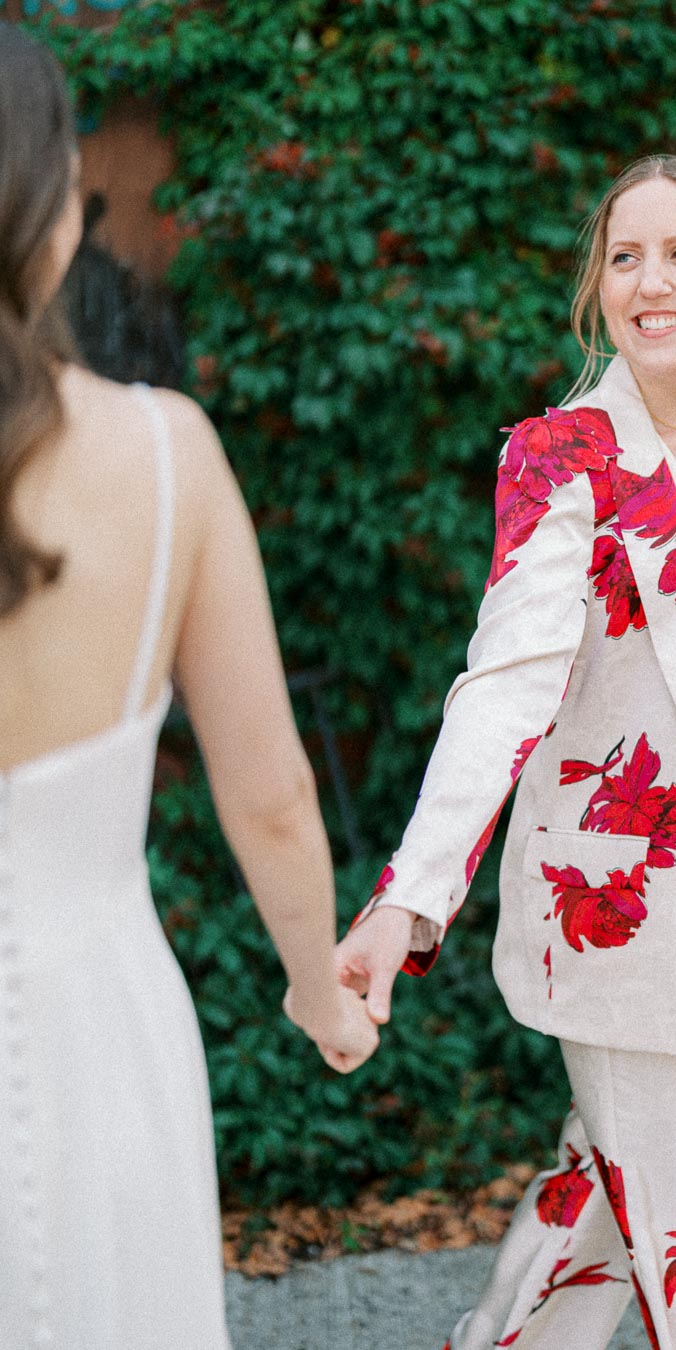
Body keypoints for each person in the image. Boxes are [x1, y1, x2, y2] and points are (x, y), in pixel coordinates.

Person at [336, 154, 676, 1348]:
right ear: (598, 286)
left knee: (605, 1202)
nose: (650, 282)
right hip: (619, 919)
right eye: (625, 257)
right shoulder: (568, 456)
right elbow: (505, 687)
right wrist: (408, 902)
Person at [0, 24, 377, 1350]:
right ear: (48, 208)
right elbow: (269, 792)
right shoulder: (168, 454)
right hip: (93, 1037)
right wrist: (322, 990)